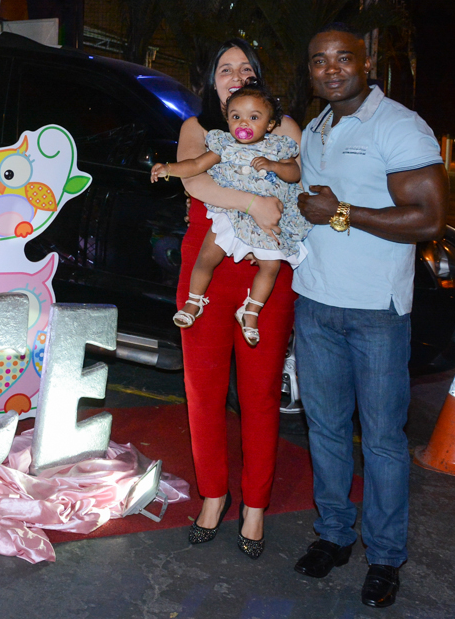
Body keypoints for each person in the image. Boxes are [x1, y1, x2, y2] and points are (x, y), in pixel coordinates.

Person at [292, 24, 447, 609]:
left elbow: (429, 218)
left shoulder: (399, 125)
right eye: (319, 61)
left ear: (367, 61)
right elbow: (301, 196)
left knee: (382, 442)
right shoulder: (316, 129)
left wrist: (342, 214)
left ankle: (384, 557)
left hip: (377, 313)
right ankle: (333, 535)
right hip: (315, 303)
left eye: (343, 58)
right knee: (325, 430)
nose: (331, 69)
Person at [149, 40, 300, 560]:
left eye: (247, 68)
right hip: (207, 273)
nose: (236, 75)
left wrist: (274, 201)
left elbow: (299, 189)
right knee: (204, 391)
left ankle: (254, 507)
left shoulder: (284, 130)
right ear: (210, 81)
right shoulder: (197, 129)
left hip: (265, 271)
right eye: (225, 68)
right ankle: (214, 495)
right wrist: (256, 200)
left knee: (260, 394)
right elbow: (199, 185)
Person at [152, 85, 310, 346]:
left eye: (254, 117)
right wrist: (169, 168)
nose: (243, 123)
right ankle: (194, 302)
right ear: (227, 121)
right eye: (236, 117)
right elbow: (195, 165)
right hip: (233, 213)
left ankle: (251, 311)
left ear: (270, 124)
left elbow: (295, 174)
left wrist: (273, 166)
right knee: (207, 255)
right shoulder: (223, 146)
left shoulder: (279, 148)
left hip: (265, 220)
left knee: (270, 266)